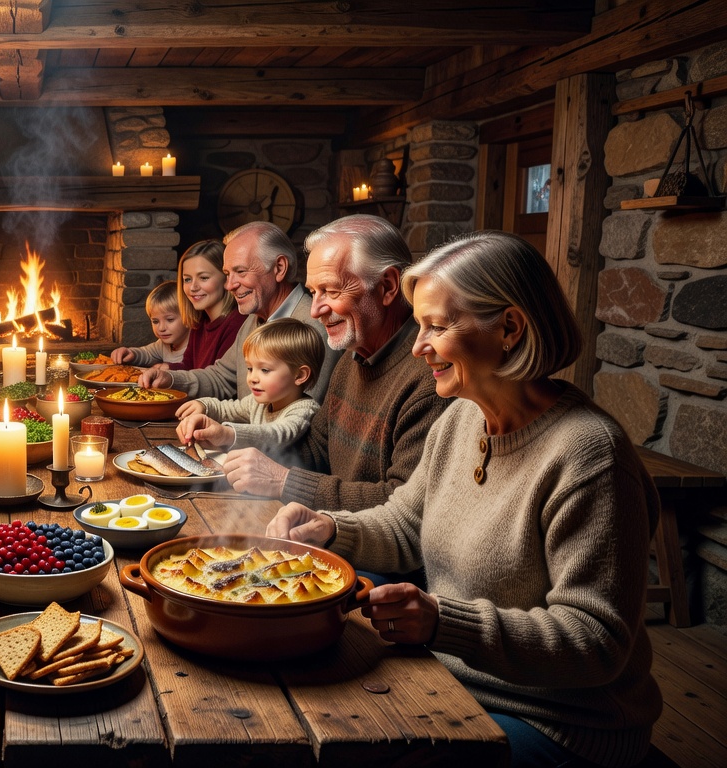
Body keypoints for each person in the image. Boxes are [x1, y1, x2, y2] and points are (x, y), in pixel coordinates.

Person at [267, 231, 661, 768]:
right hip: (451, 677)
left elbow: (596, 639)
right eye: (419, 324)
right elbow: (407, 523)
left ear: (510, 328)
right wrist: (330, 528)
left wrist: (442, 622)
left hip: (559, 722)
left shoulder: (588, 454)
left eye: (437, 326)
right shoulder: (461, 419)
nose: (417, 346)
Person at [218, 215, 449, 511]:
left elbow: (403, 506)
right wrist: (234, 451)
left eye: (331, 290)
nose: (314, 311)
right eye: (313, 293)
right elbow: (316, 449)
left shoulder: (431, 377)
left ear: (388, 286)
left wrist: (284, 481)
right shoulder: (353, 357)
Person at [141, 221, 339, 404]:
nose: (229, 285)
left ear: (279, 268)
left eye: (241, 272)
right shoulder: (255, 318)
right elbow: (222, 377)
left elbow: (298, 421)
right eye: (227, 274)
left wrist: (228, 433)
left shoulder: (313, 327)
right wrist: (170, 379)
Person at [175, 318, 325, 466]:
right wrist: (203, 406)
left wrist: (227, 434)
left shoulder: (305, 409)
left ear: (299, 375)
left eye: (264, 370)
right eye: (250, 368)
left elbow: (275, 434)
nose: (252, 378)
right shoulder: (258, 403)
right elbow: (228, 409)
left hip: (287, 488)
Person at [170, 239, 244, 371]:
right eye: (187, 279)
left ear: (226, 278)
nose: (193, 287)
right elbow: (188, 367)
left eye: (203, 278)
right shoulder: (200, 321)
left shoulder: (237, 323)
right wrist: (163, 368)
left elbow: (221, 382)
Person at [109, 280, 189, 367]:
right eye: (155, 321)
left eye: (170, 320)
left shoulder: (197, 347)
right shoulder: (164, 345)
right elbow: (147, 353)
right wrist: (131, 354)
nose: (161, 328)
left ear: (189, 316)